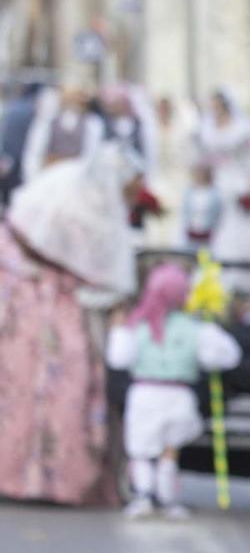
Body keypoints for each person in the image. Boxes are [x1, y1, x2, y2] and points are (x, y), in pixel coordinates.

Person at [0, 144, 143, 505]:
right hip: (31, 299)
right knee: (44, 382)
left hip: (40, 297)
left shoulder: (86, 195)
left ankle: (47, 477)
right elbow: (109, 279)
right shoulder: (76, 197)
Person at [105, 263, 242, 519]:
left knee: (141, 450)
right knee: (170, 450)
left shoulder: (138, 326)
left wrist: (117, 328)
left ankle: (143, 495)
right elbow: (228, 356)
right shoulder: (194, 328)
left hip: (144, 393)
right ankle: (168, 500)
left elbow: (118, 359)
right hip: (179, 396)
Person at [196, 88, 250, 272]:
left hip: (240, 181)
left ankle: (249, 264)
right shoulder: (209, 128)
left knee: (245, 224)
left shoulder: (240, 128)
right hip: (220, 183)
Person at [22, 86, 106, 182]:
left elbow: (91, 154)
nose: (72, 99)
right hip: (49, 177)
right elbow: (34, 152)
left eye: (77, 95)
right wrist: (33, 180)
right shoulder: (47, 122)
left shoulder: (92, 122)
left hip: (77, 179)